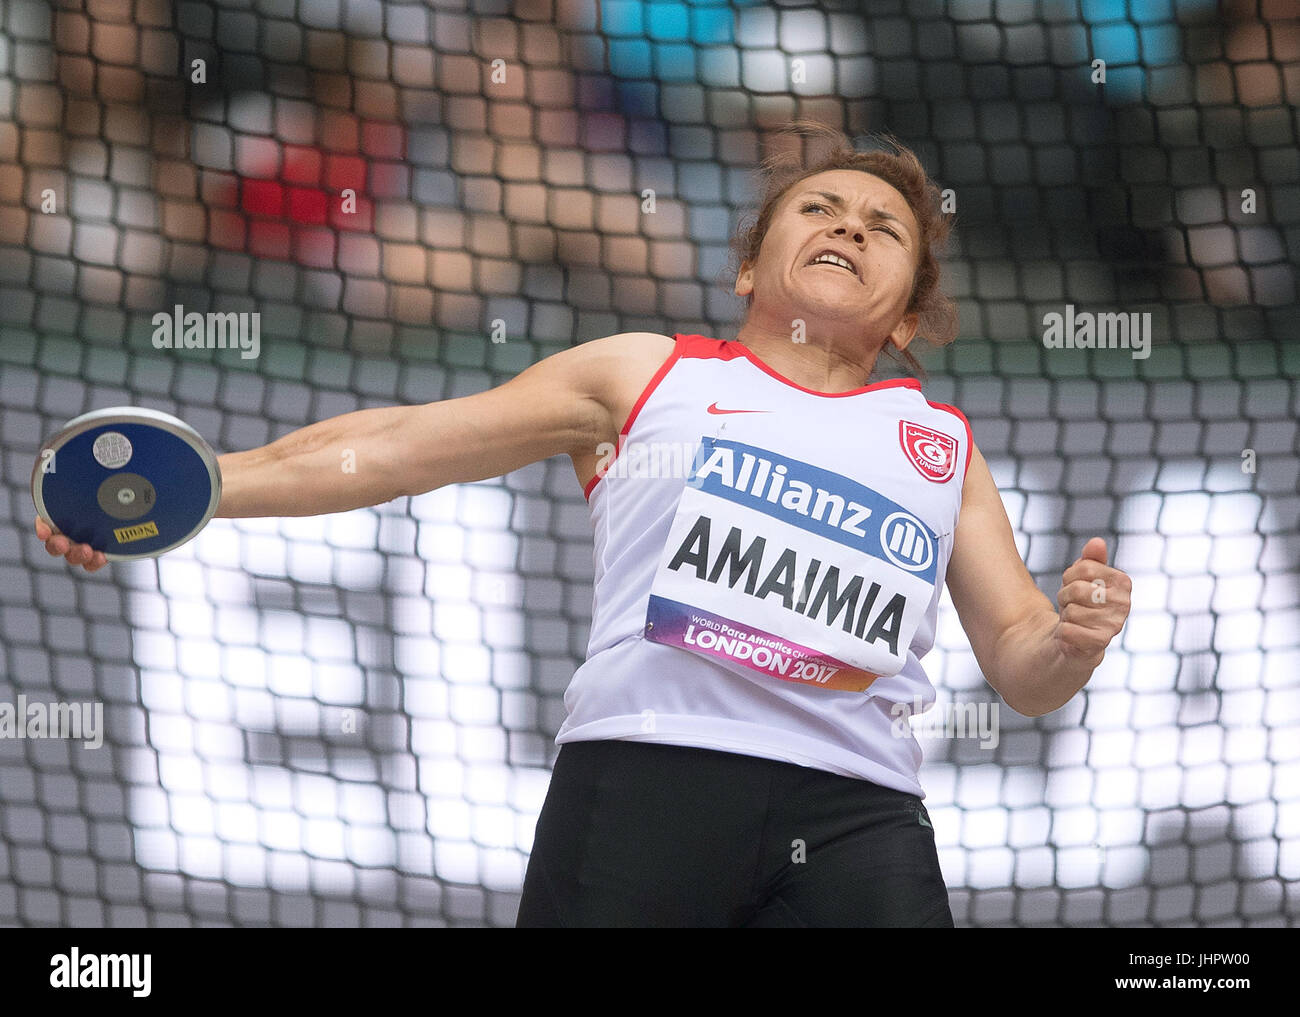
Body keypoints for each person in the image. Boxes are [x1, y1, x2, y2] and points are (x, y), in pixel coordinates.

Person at [35, 121, 1131, 927]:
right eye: (819, 209)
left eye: (883, 227)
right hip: (647, 786)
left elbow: (1024, 668)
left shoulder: (938, 445)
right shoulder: (643, 374)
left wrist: (1070, 638)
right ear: (751, 264)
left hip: (861, 820)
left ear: (907, 310)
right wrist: (205, 485)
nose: (850, 223)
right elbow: (404, 445)